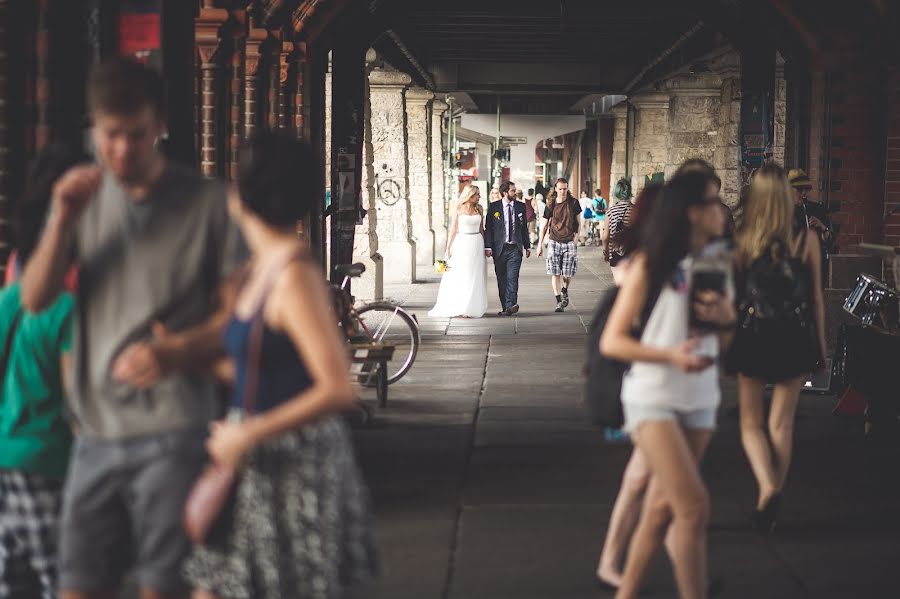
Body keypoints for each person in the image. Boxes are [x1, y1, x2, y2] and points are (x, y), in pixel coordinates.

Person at [20, 57, 242, 599]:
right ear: (94, 128)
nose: (122, 151)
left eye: (136, 136)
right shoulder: (83, 198)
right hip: (93, 433)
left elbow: (241, 319)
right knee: (76, 586)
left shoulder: (208, 204)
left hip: (175, 431)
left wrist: (177, 352)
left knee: (160, 588)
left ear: (159, 124)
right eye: (110, 135)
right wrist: (62, 219)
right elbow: (35, 299)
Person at [184, 131, 377, 599]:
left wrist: (248, 432)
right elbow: (265, 367)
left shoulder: (293, 276)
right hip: (254, 461)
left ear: (240, 195)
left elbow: (336, 388)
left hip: (291, 467)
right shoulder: (258, 270)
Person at [600, 172, 735, 599]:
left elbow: (721, 341)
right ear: (692, 213)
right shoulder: (651, 264)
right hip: (653, 396)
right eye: (713, 202)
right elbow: (613, 340)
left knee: (660, 512)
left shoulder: (718, 262)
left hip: (700, 397)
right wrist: (670, 356)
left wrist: (726, 317)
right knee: (693, 507)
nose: (722, 210)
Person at [0, 142, 85, 599]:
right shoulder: (67, 310)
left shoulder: (9, 292)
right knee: (67, 584)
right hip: (50, 461)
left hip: (6, 455)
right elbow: (79, 404)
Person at [728, 164, 826, 533]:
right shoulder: (806, 240)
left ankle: (767, 489)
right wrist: (821, 346)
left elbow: (733, 296)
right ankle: (772, 501)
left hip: (754, 334)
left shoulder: (742, 237)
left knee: (751, 422)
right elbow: (816, 298)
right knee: (782, 424)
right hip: (795, 337)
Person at [594, 182, 664, 590]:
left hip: (675, 390)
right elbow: (616, 337)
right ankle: (621, 569)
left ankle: (616, 566)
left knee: (654, 488)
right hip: (652, 388)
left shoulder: (679, 263)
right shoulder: (641, 266)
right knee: (680, 499)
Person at [428, 184, 489, 318]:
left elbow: (481, 229)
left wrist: (486, 246)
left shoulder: (479, 208)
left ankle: (471, 306)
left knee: (475, 274)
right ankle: (460, 304)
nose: (479, 197)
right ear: (470, 195)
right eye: (477, 195)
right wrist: (448, 247)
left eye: (479, 194)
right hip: (462, 243)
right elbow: (454, 228)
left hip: (477, 243)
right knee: (461, 273)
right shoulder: (458, 208)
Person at [484, 180, 531, 316]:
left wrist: (527, 246)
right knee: (502, 279)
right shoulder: (494, 207)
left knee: (512, 277)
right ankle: (505, 306)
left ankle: (511, 304)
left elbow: (524, 229)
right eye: (512, 190)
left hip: (515, 248)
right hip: (499, 249)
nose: (515, 192)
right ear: (505, 193)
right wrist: (488, 246)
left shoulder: (521, 206)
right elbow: (489, 229)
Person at [538, 178, 581, 312]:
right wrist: (539, 245)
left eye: (565, 188)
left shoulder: (573, 203)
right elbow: (544, 225)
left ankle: (564, 289)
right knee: (555, 273)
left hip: (569, 242)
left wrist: (576, 238)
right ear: (555, 189)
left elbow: (579, 222)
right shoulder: (551, 204)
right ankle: (558, 301)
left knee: (567, 275)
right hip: (554, 241)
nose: (563, 191)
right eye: (560, 188)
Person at [788, 168, 834, 286]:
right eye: (799, 189)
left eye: (806, 189)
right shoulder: (783, 213)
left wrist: (822, 227)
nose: (804, 193)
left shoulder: (816, 209)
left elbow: (830, 241)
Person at [605, 179, 635, 285]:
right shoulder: (636, 210)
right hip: (632, 251)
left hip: (615, 251)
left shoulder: (610, 211)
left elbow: (605, 237)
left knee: (619, 283)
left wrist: (606, 252)